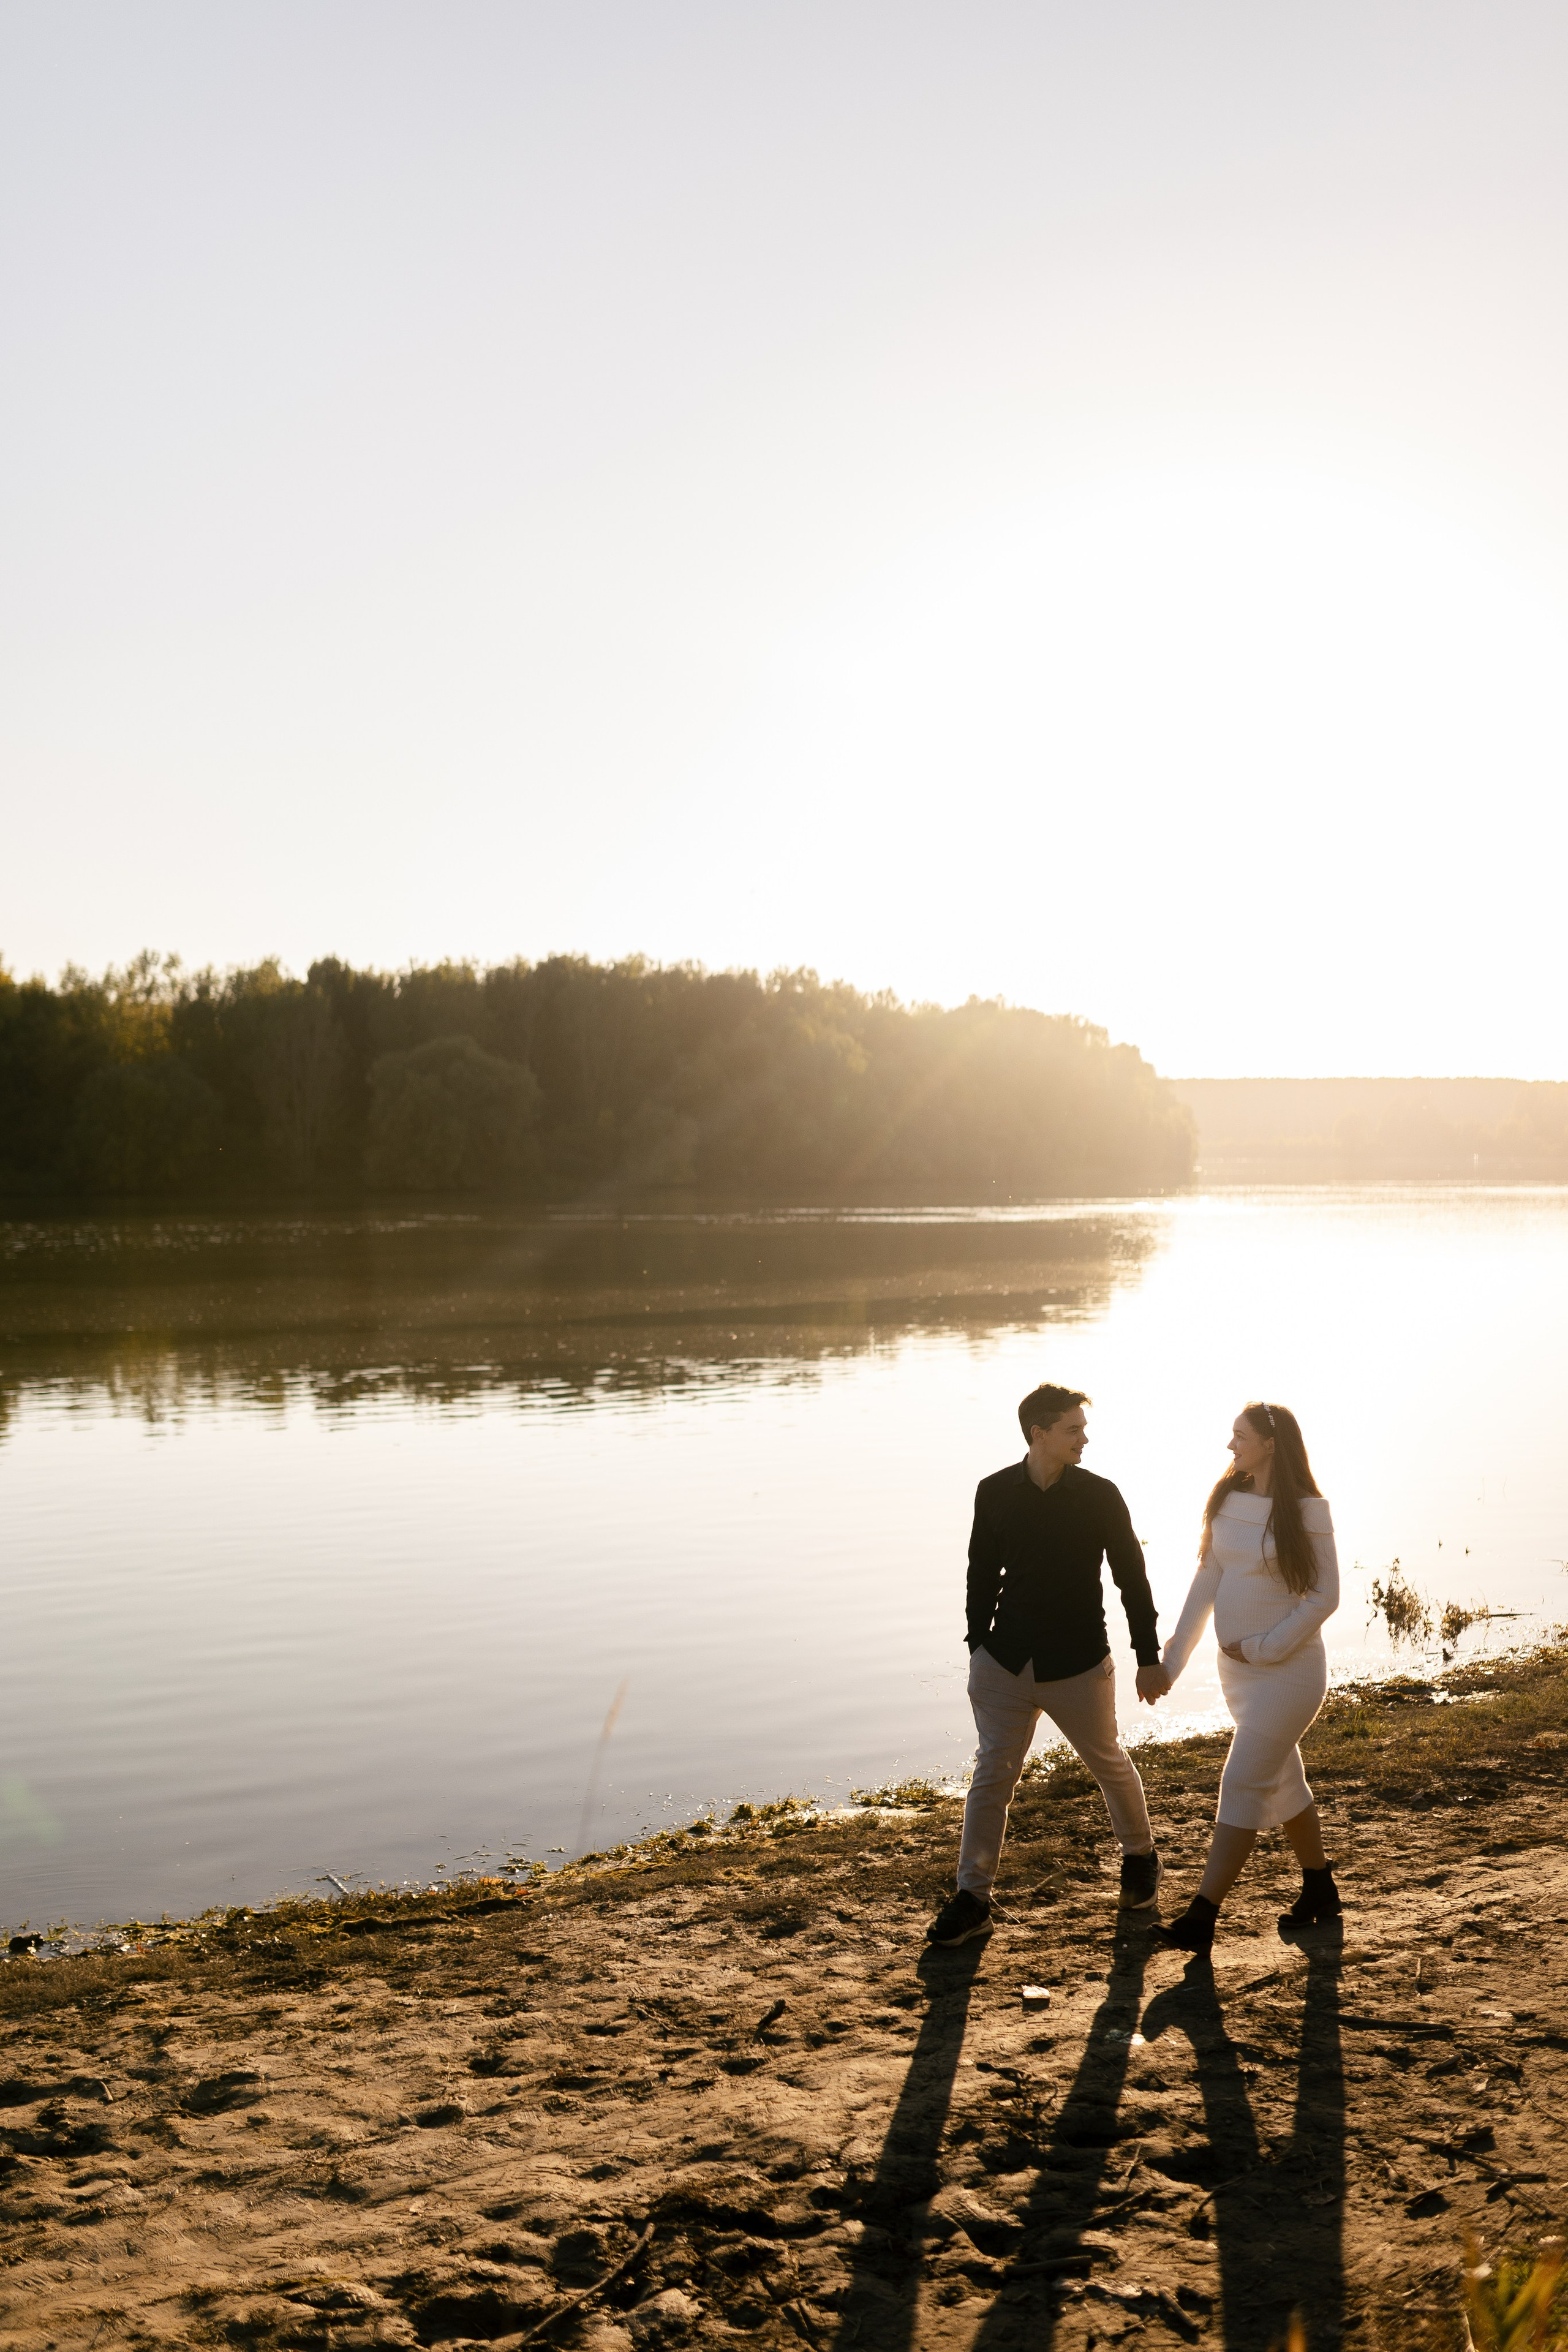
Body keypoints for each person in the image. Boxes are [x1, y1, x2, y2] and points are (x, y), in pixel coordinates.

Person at [925, 1382, 1168, 1948]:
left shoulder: (1100, 1495)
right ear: (1039, 1433)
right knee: (992, 1777)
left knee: (1108, 1763)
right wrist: (977, 1647)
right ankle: (972, 1898)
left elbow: (1132, 1578)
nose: (1084, 1439)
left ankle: (1140, 1858)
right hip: (1004, 1664)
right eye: (1073, 1430)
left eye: (1083, 1429)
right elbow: (981, 1572)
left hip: (1079, 1664)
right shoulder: (993, 1491)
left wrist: (1147, 1657)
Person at [1148, 1400, 1342, 1956]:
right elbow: (1207, 1577)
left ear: (1270, 1444)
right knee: (1282, 1781)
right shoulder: (1228, 1499)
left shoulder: (1308, 1510)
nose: (1230, 1445)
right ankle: (1320, 1888)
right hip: (1237, 1676)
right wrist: (1172, 1662)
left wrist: (1264, 1647)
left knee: (1240, 1784)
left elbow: (1325, 1597)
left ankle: (1202, 1918)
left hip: (1289, 1675)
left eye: (1240, 1436)